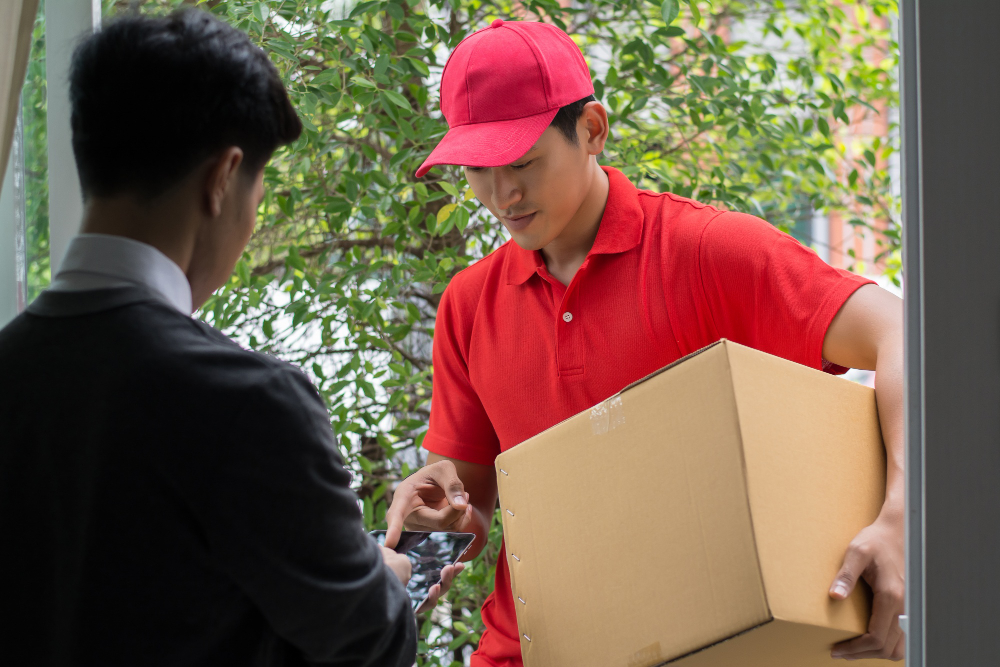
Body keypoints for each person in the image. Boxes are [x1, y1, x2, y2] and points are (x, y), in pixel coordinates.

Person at [385, 18, 905, 665]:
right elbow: (471, 506)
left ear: (593, 130)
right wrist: (433, 522)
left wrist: (901, 518)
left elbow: (903, 334)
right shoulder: (469, 304)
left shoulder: (707, 252)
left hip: (708, 645)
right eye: (478, 170)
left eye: (522, 162)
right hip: (530, 653)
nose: (502, 194)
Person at [0, 9, 459, 666]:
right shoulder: (249, 403)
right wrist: (386, 574)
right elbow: (367, 643)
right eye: (259, 187)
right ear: (222, 178)